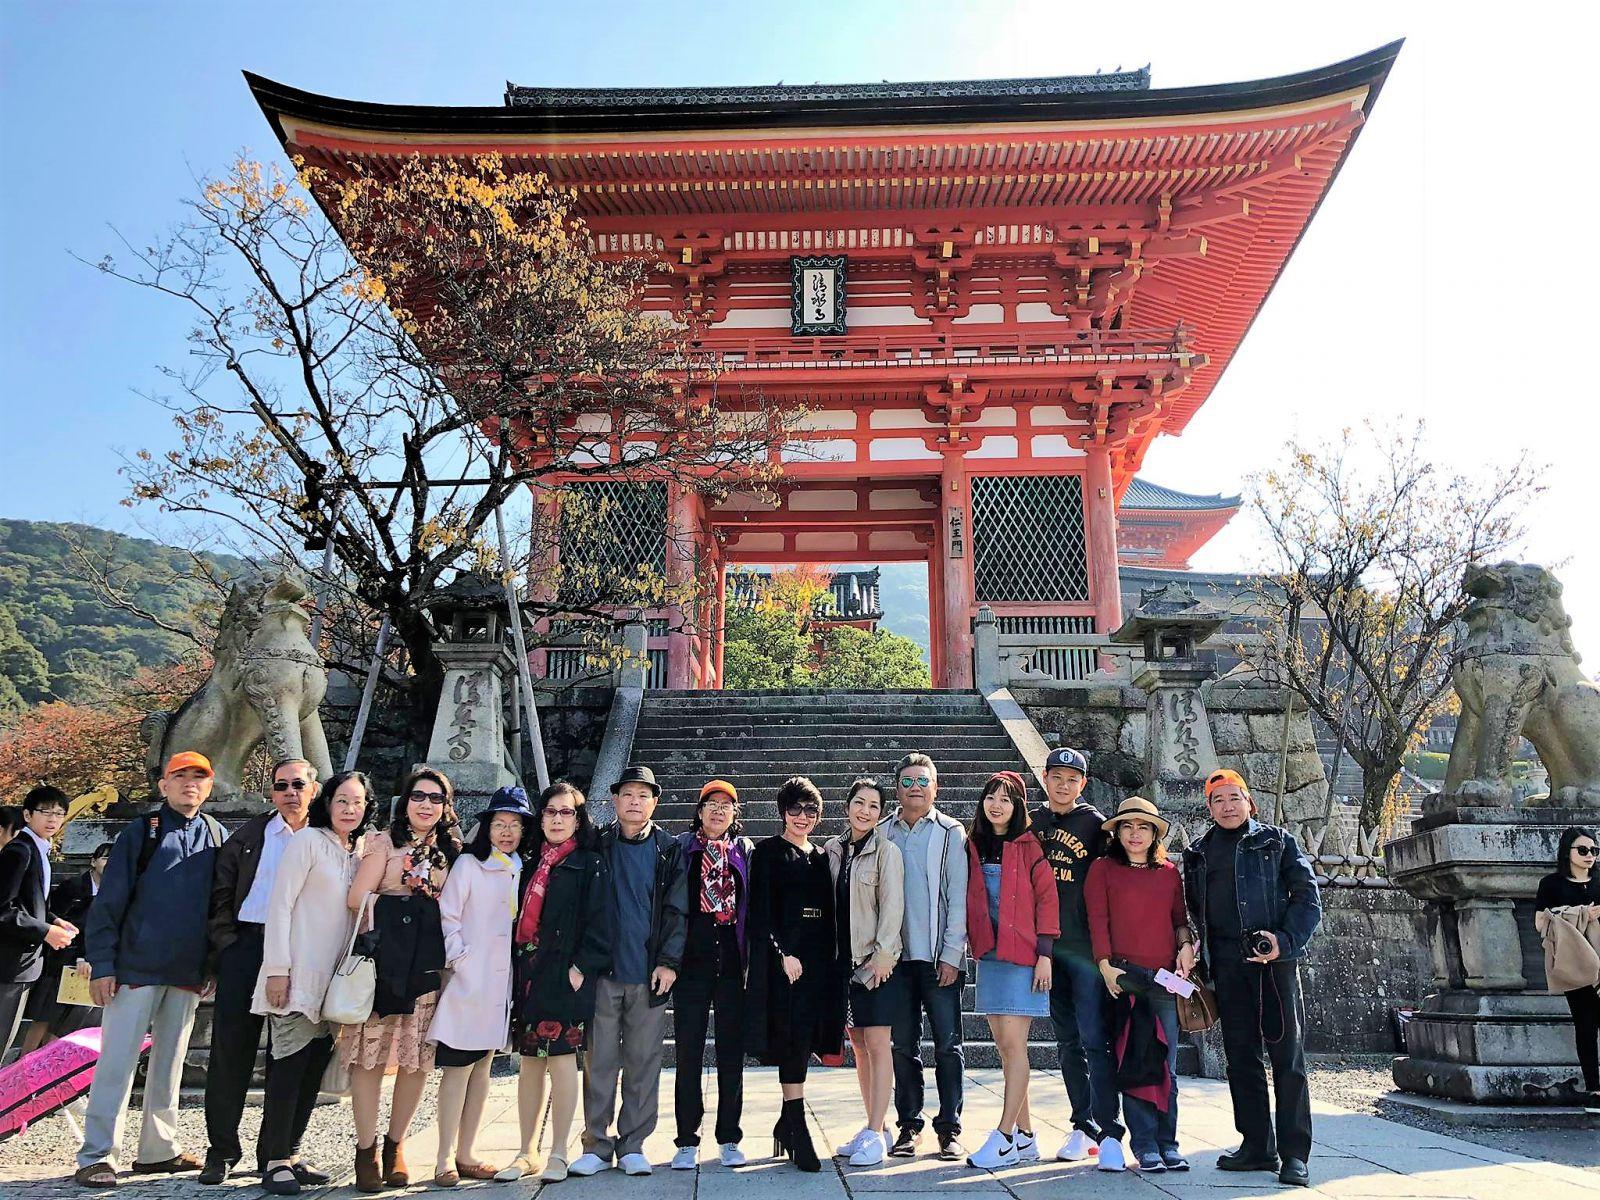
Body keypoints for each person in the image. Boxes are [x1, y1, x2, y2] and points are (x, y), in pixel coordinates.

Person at [75, 752, 227, 1189]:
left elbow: (219, 905)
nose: (190, 784)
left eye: (199, 777)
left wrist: (212, 963)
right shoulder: (142, 832)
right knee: (117, 1063)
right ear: (163, 785)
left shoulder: (216, 833)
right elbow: (109, 903)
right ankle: (97, 1155)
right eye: (180, 776)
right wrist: (103, 964)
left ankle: (158, 1150)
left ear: (209, 786)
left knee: (171, 1064)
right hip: (135, 967)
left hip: (187, 969)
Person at [1182, 768, 1321, 1188]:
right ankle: (1257, 1145)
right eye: (1218, 800)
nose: (1227, 806)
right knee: (1240, 1058)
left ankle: (1294, 1154)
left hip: (1273, 965)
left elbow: (1308, 898)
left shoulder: (1277, 841)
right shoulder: (1198, 853)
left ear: (1249, 802)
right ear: (1209, 808)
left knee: (1286, 1056)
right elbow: (1195, 910)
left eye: (1234, 797)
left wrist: (1283, 941)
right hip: (1226, 966)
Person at [252, 770, 374, 1196]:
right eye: (342, 800)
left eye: (357, 802)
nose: (349, 809)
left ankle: (291, 1152)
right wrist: (277, 969)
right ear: (327, 802)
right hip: (297, 973)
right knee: (288, 1066)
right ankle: (274, 1161)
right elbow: (280, 906)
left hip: (334, 981)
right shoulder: (307, 841)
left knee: (312, 1070)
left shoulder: (358, 851)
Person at [200, 757, 320, 1185]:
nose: (290, 793)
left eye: (298, 785)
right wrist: (228, 945)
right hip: (248, 944)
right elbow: (221, 894)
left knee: (292, 1055)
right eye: (281, 785)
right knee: (231, 1049)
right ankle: (221, 1151)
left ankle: (280, 1152)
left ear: (314, 789)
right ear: (271, 792)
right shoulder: (250, 835)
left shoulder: (327, 837)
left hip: (303, 950)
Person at [343, 767, 461, 1193]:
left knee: (415, 1059)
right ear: (405, 801)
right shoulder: (383, 843)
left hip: (425, 963)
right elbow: (357, 897)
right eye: (419, 796)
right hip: (384, 961)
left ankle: (396, 1144)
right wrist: (406, 903)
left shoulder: (451, 850)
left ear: (446, 806)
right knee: (370, 1057)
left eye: (436, 798)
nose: (426, 805)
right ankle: (366, 1149)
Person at [570, 765, 687, 1179]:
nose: (635, 802)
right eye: (628, 794)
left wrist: (669, 962)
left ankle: (633, 1143)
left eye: (643, 795)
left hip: (647, 972)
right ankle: (597, 1144)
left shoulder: (668, 849)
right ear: (615, 800)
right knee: (599, 1060)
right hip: (604, 971)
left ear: (654, 802)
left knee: (643, 1061)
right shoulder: (597, 844)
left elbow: (677, 910)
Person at [498, 781, 612, 1184]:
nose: (558, 819)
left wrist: (580, 968)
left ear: (578, 820)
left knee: (563, 1061)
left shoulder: (589, 863)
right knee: (529, 1061)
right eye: (551, 811)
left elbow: (602, 921)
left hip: (567, 973)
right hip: (530, 971)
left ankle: (560, 1151)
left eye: (567, 812)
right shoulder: (530, 863)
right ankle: (526, 1150)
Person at [427, 786, 535, 1186]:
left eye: (514, 825)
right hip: (469, 980)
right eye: (499, 824)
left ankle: (467, 1152)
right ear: (487, 828)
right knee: (457, 1068)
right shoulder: (470, 865)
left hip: (500, 983)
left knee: (483, 1068)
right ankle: (443, 1157)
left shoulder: (521, 868)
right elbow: (448, 916)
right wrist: (461, 959)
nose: (506, 832)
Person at [1085, 796, 1194, 1173]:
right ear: (1117, 833)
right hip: (1125, 979)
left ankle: (1168, 1142)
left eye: (1143, 827)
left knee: (1167, 1066)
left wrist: (1185, 945)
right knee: (1135, 1063)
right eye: (1128, 826)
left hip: (1164, 980)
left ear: (1154, 834)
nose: (1135, 834)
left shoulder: (1169, 873)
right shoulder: (1102, 869)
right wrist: (1105, 966)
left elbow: (1180, 919)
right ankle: (1145, 1145)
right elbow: (1097, 919)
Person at [744, 776, 844, 1172]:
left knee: (805, 1041)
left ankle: (785, 1122)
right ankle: (798, 1126)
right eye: (795, 809)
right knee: (791, 1039)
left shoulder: (821, 856)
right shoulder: (768, 852)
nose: (802, 817)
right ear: (783, 812)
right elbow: (760, 911)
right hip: (785, 963)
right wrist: (783, 953)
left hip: (818, 962)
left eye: (810, 810)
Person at [962, 771, 1058, 1169]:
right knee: (1004, 1047)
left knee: (1016, 1047)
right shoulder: (973, 843)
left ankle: (1003, 1137)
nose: (997, 805)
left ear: (1018, 806)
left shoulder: (1029, 846)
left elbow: (1047, 899)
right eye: (991, 797)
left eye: (1006, 799)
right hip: (990, 954)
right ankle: (1027, 1137)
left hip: (1023, 957)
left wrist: (1045, 954)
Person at [1032, 745, 1121, 1164]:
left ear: (1082, 784)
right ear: (1045, 778)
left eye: (1072, 780)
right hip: (1048, 950)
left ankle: (1109, 1128)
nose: (1064, 785)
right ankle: (1082, 1125)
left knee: (1094, 1038)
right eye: (1057, 778)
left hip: (1085, 950)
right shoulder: (1032, 823)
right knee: (1067, 1040)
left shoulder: (1096, 826)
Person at [883, 752, 969, 1160]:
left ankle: (949, 1128)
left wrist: (952, 953)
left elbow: (959, 897)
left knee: (948, 1046)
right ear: (897, 788)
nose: (915, 788)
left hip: (938, 959)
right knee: (903, 1046)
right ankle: (909, 1125)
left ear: (936, 787)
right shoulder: (883, 830)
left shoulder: (951, 832)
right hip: (896, 960)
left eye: (923, 781)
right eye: (907, 781)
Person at [671, 780, 753, 1170]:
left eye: (726, 805)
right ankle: (686, 1139)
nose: (719, 811)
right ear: (700, 811)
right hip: (691, 962)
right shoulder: (682, 849)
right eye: (711, 804)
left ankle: (729, 1137)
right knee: (688, 1051)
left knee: (731, 1052)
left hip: (732, 963)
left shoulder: (744, 851)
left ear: (735, 814)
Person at [827, 778, 904, 1167]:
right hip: (842, 964)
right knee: (857, 1044)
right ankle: (877, 1126)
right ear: (847, 806)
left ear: (880, 814)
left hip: (874, 962)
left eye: (874, 806)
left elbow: (892, 906)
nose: (865, 811)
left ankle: (875, 1132)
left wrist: (884, 956)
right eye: (859, 803)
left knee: (877, 1043)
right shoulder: (832, 849)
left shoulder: (887, 852)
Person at [0, 786, 76, 1062]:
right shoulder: (19, 851)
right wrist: (45, 931)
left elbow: (28, 904)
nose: (53, 819)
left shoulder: (38, 850)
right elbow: (3, 910)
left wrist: (54, 920)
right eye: (46, 812)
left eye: (59, 813)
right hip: (9, 964)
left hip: (24, 964)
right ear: (27, 815)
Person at [18, 839, 113, 1056]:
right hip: (60, 958)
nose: (109, 863)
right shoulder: (73, 887)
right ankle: (23, 1063)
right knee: (44, 1016)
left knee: (67, 1022)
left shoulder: (114, 892)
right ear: (93, 861)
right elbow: (51, 915)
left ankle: (47, 1065)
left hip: (88, 963)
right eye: (105, 858)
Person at [1534, 827, 1600, 1100]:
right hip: (1574, 960)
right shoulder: (1551, 884)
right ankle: (1594, 1088)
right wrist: (1581, 914)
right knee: (1585, 1024)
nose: (1589, 855)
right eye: (1583, 850)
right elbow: (1540, 923)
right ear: (1567, 852)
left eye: (1594, 850)